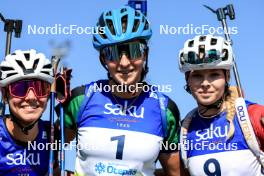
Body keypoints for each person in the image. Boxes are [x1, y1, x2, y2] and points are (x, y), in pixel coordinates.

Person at [61, 6, 181, 176]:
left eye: (133, 50)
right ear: (103, 59)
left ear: (145, 54)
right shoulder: (80, 99)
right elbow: (47, 155)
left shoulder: (165, 109)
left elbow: (174, 173)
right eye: (113, 53)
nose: (124, 63)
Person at [178, 35, 264, 176]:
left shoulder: (253, 116)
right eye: (197, 75)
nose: (205, 83)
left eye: (214, 74)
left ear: (227, 77)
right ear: (187, 79)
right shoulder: (184, 130)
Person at [0, 49, 55, 175]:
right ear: (4, 95)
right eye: (19, 89)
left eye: (40, 88)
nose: (31, 97)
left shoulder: (52, 135)